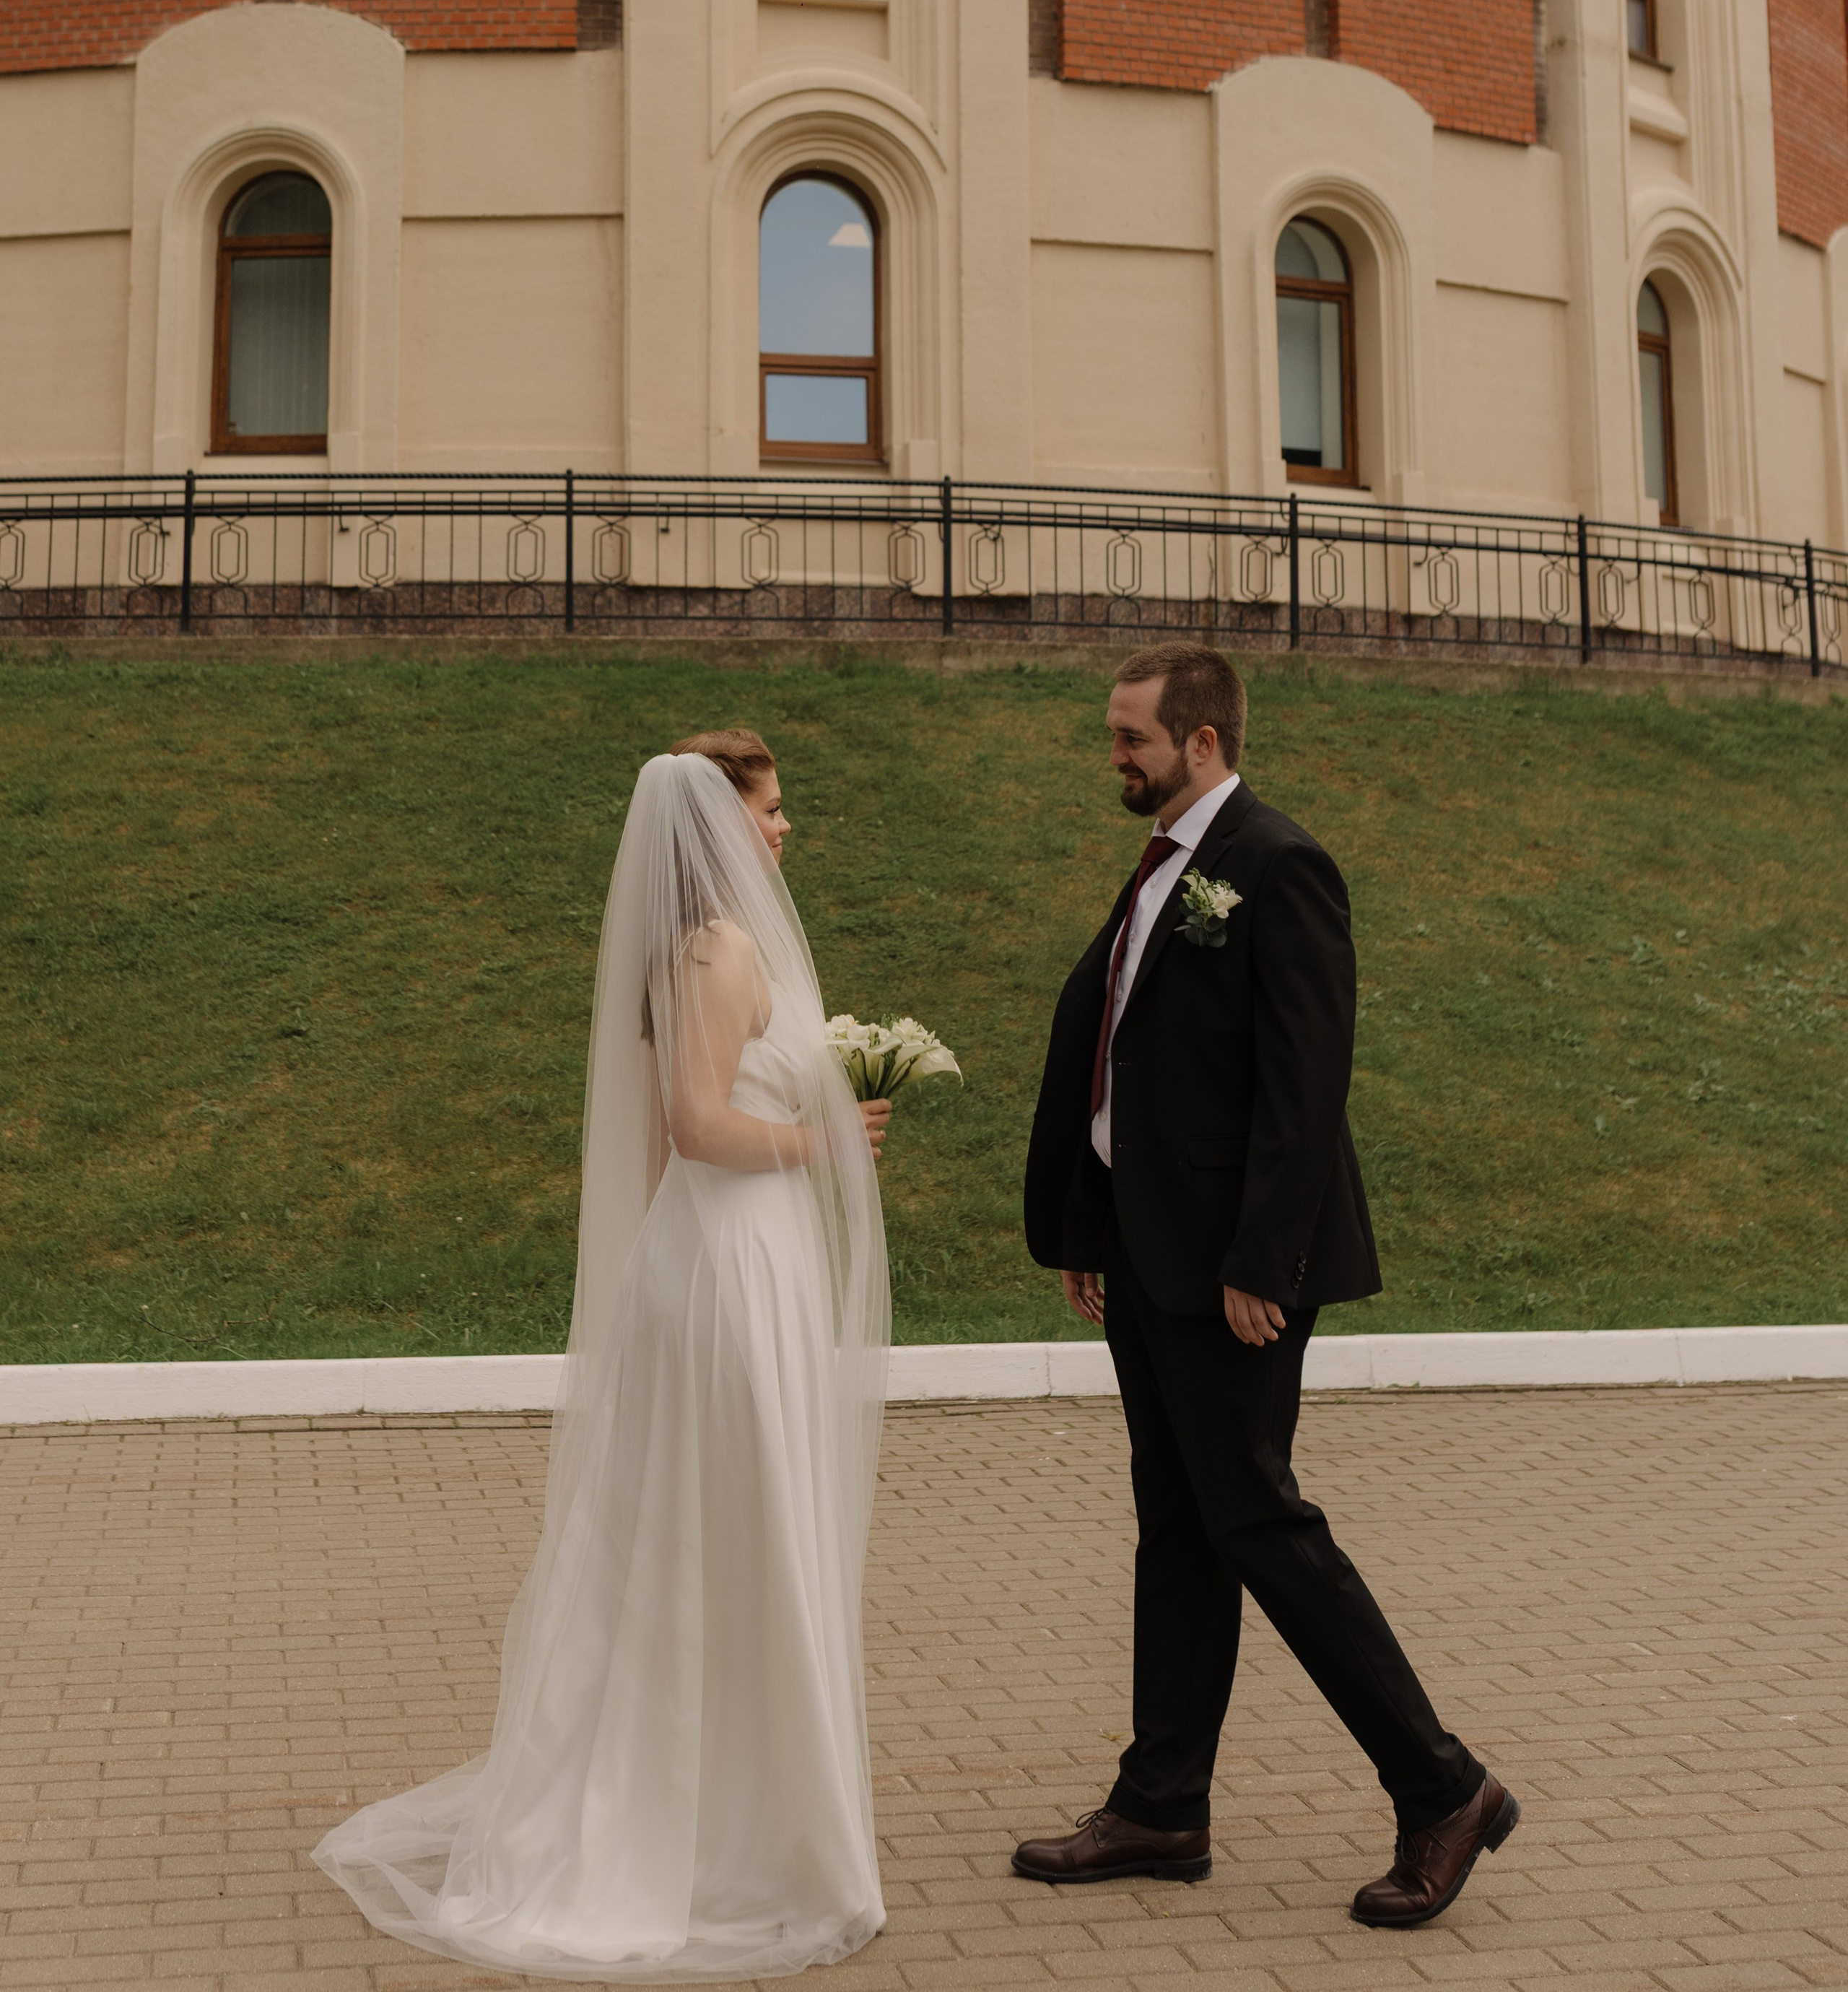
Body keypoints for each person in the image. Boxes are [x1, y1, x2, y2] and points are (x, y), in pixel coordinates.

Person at [315, 728, 893, 1980]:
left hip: (727, 1256)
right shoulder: (719, 948)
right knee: (735, 1532)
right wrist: (829, 1140)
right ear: (720, 826)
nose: (785, 826)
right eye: (771, 809)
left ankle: (739, 1811)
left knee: (708, 1533)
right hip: (732, 1261)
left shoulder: (699, 948)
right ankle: (737, 1841)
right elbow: (695, 1127)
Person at [1014, 645, 1517, 1929]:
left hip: (1230, 1271)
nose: (1113, 756)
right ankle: (1162, 1804)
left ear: (1202, 741)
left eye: (1130, 737)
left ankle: (1445, 1787)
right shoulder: (1162, 868)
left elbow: (1306, 1080)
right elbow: (1127, 1056)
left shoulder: (1279, 865)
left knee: (1257, 1521)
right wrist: (1087, 1229)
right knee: (1180, 1527)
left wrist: (1264, 1264)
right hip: (1147, 1254)